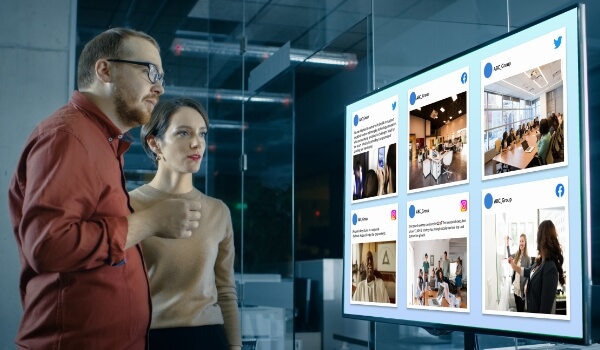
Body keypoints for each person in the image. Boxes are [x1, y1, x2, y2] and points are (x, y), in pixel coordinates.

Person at [8, 28, 201, 349]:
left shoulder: (101, 141)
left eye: (162, 77)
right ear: (105, 70)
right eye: (149, 71)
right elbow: (49, 246)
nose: (159, 86)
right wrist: (151, 221)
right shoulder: (68, 136)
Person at [129, 98, 241, 349]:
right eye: (183, 133)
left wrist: (235, 346)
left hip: (209, 339)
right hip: (148, 338)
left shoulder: (218, 211)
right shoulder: (128, 206)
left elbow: (226, 291)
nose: (196, 142)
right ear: (155, 142)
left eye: (202, 134)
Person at [508, 220, 565, 314]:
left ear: (543, 239)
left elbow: (544, 312)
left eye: (537, 236)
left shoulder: (550, 268)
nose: (536, 240)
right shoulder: (539, 262)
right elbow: (526, 272)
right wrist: (513, 265)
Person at [506, 234, 531, 312]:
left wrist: (526, 284)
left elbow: (528, 274)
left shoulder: (528, 258)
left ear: (525, 243)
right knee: (517, 309)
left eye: (522, 241)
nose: (521, 243)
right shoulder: (516, 254)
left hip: (522, 289)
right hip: (516, 288)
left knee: (521, 311)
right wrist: (507, 244)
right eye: (520, 241)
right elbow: (510, 256)